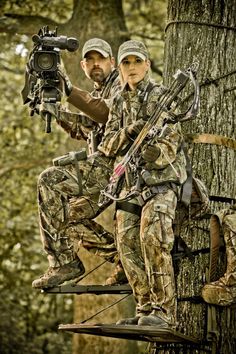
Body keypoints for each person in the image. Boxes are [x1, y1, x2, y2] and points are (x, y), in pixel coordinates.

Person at [96, 40, 188, 329]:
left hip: (162, 183)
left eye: (137, 61)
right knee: (125, 243)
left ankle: (164, 313)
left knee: (152, 237)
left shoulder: (163, 97)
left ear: (147, 64)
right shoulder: (118, 102)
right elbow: (107, 146)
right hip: (129, 184)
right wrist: (129, 132)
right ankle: (144, 309)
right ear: (120, 67)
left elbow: (171, 145)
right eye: (126, 63)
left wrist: (152, 151)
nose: (131, 68)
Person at [32, 38, 126, 289]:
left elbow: (105, 112)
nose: (96, 65)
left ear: (112, 62)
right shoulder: (98, 92)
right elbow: (89, 128)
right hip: (105, 170)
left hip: (117, 166)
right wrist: (56, 112)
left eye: (101, 59)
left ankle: (63, 262)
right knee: (65, 214)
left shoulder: (122, 83)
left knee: (49, 180)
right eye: (90, 60)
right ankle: (125, 259)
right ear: (84, 65)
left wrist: (69, 90)